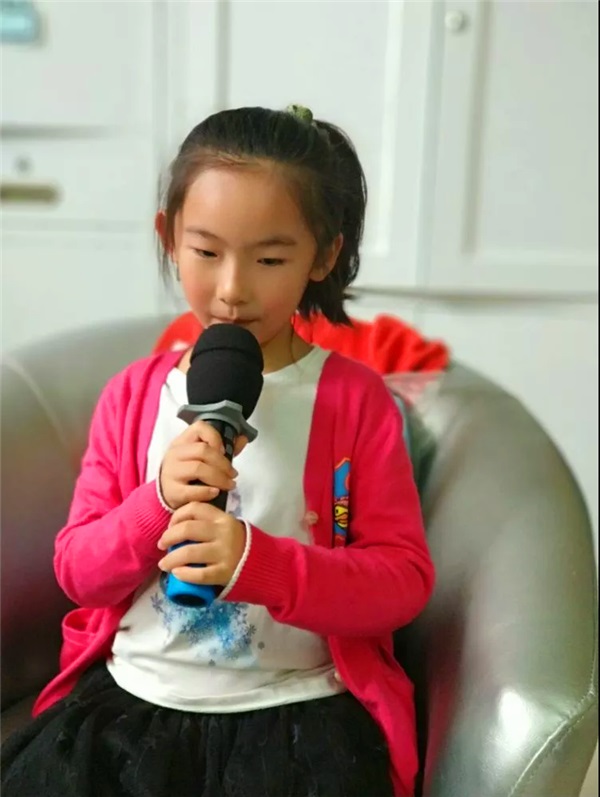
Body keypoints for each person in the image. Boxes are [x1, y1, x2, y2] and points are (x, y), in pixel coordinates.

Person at [1, 104, 435, 797]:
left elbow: (401, 582)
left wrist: (260, 564)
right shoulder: (133, 395)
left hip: (294, 711)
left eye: (270, 259)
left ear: (323, 255)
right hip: (133, 703)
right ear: (169, 239)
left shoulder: (355, 401)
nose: (232, 289)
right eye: (206, 252)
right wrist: (156, 502)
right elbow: (78, 572)